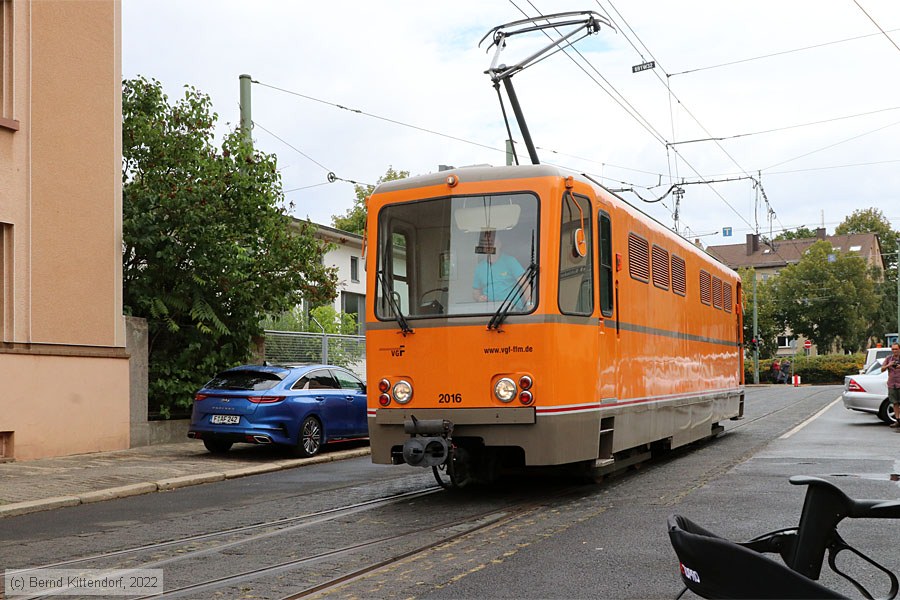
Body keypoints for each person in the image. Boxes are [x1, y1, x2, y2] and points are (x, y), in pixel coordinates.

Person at [472, 236, 527, 304]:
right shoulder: (479, 267)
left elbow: (525, 284)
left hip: (512, 307)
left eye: (493, 244)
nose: (490, 247)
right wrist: (479, 297)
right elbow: (475, 291)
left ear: (499, 244)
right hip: (489, 308)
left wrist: (529, 304)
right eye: (487, 245)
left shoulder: (510, 261)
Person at [879, 343, 900, 429]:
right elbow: (882, 369)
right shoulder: (889, 358)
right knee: (895, 403)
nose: (894, 351)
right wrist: (889, 365)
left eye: (896, 349)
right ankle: (898, 420)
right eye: (893, 349)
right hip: (892, 384)